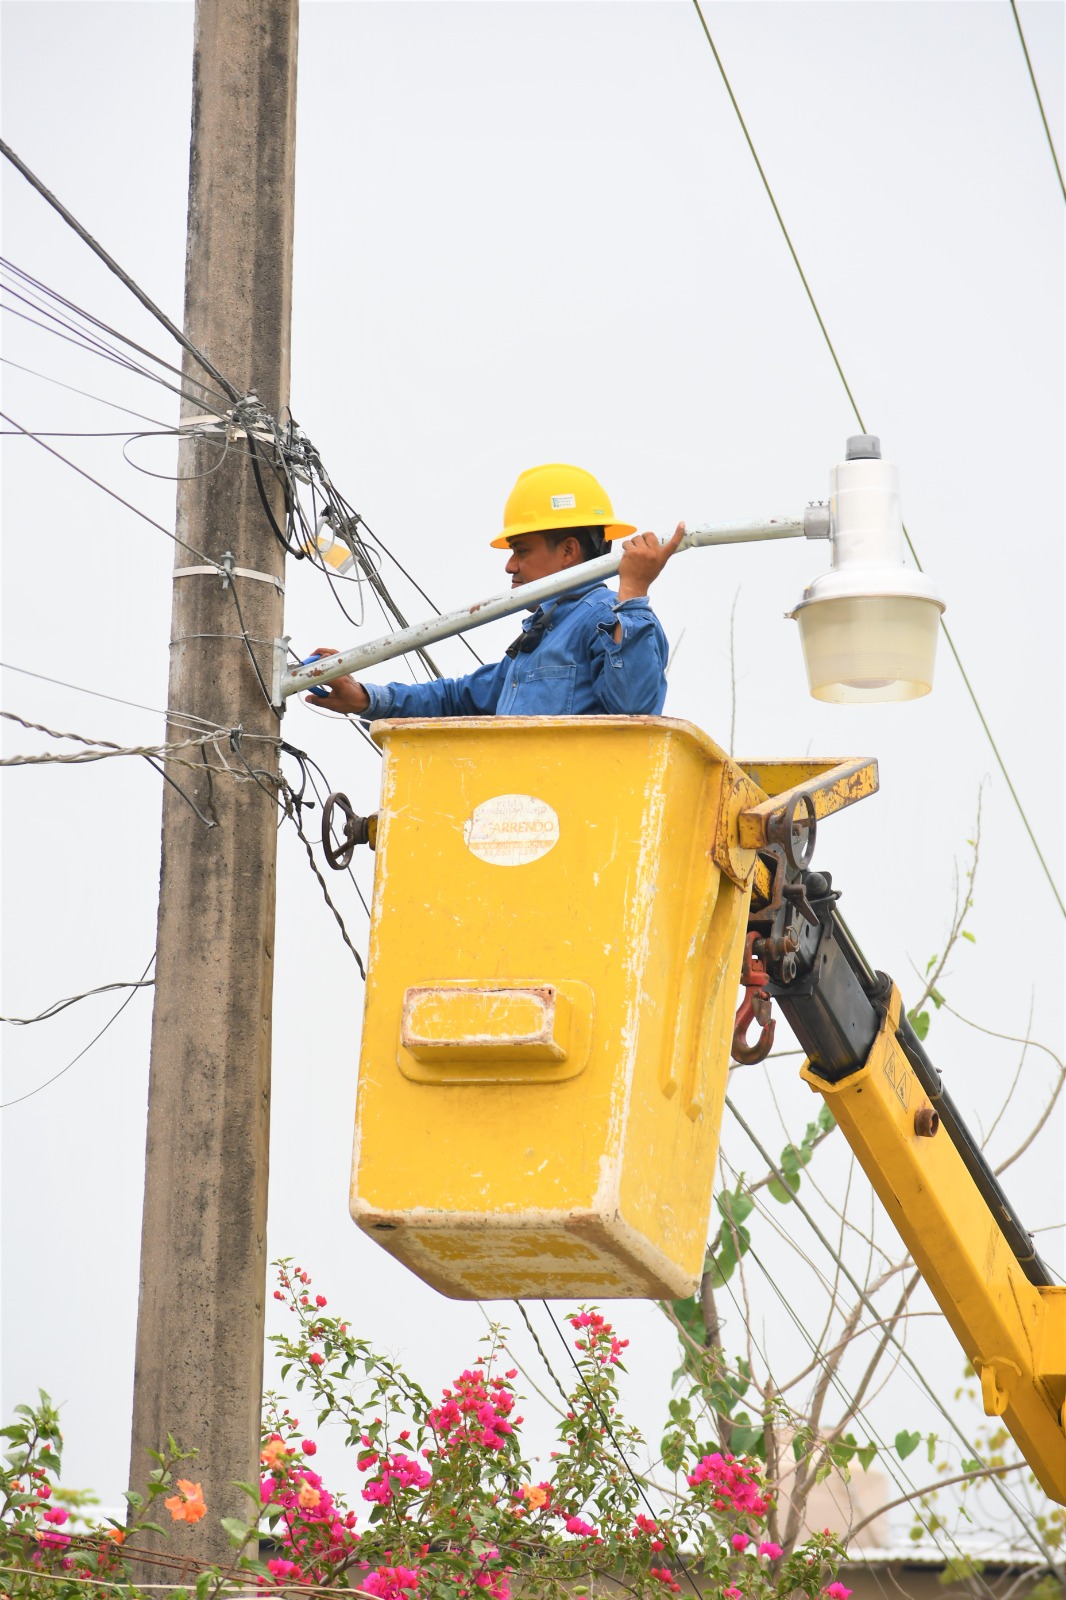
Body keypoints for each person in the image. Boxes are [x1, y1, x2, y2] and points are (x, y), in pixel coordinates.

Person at [305, 463, 683, 719]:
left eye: (522, 551)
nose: (510, 566)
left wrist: (633, 592)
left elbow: (636, 712)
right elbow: (459, 697)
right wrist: (367, 699)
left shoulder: (605, 616)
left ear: (568, 550)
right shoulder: (543, 634)